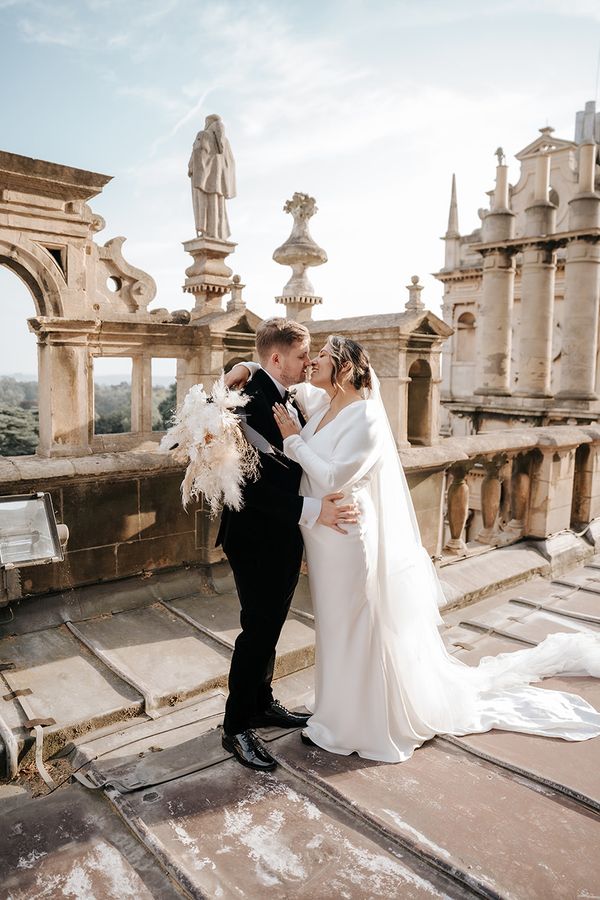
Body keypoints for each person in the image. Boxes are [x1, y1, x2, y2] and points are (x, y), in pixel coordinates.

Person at [227, 336, 600, 763]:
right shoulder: (321, 402)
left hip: (347, 537)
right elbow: (268, 367)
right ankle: (334, 710)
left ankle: (359, 723)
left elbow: (331, 476)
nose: (312, 362)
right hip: (322, 536)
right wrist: (247, 367)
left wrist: (293, 440)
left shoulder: (365, 416)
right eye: (308, 356)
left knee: (357, 626)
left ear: (345, 369)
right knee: (334, 630)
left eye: (322, 358)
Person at [217, 319, 358, 772]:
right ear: (277, 358)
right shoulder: (247, 402)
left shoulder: (285, 394)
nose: (309, 362)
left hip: (280, 536)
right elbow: (250, 487)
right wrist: (316, 512)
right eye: (302, 355)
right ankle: (235, 727)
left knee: (272, 626)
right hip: (255, 535)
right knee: (256, 631)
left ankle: (261, 702)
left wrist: (243, 363)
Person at [188, 114, 236, 240]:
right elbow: (230, 163)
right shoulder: (225, 142)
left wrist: (191, 167)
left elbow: (199, 153)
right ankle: (217, 233)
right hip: (219, 183)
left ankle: (206, 232)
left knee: (205, 204)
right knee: (217, 206)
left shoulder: (203, 135)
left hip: (204, 180)